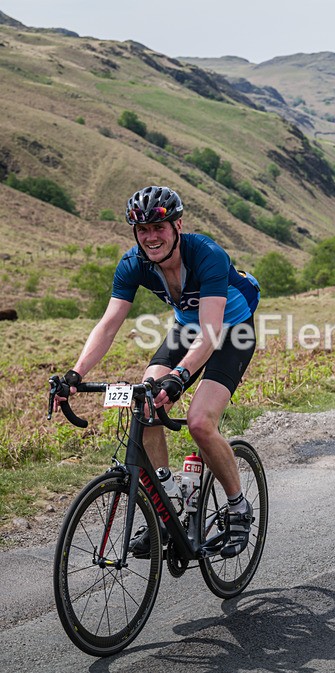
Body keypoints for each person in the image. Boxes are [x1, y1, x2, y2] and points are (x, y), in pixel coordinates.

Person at [53, 185, 260, 558]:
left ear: (177, 225)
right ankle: (166, 507)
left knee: (199, 422)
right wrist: (75, 374)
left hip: (232, 331)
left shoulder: (207, 255)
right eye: (142, 230)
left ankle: (237, 507)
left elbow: (213, 332)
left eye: (159, 227)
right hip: (186, 329)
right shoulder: (134, 264)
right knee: (144, 401)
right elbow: (109, 323)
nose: (151, 237)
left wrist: (179, 376)